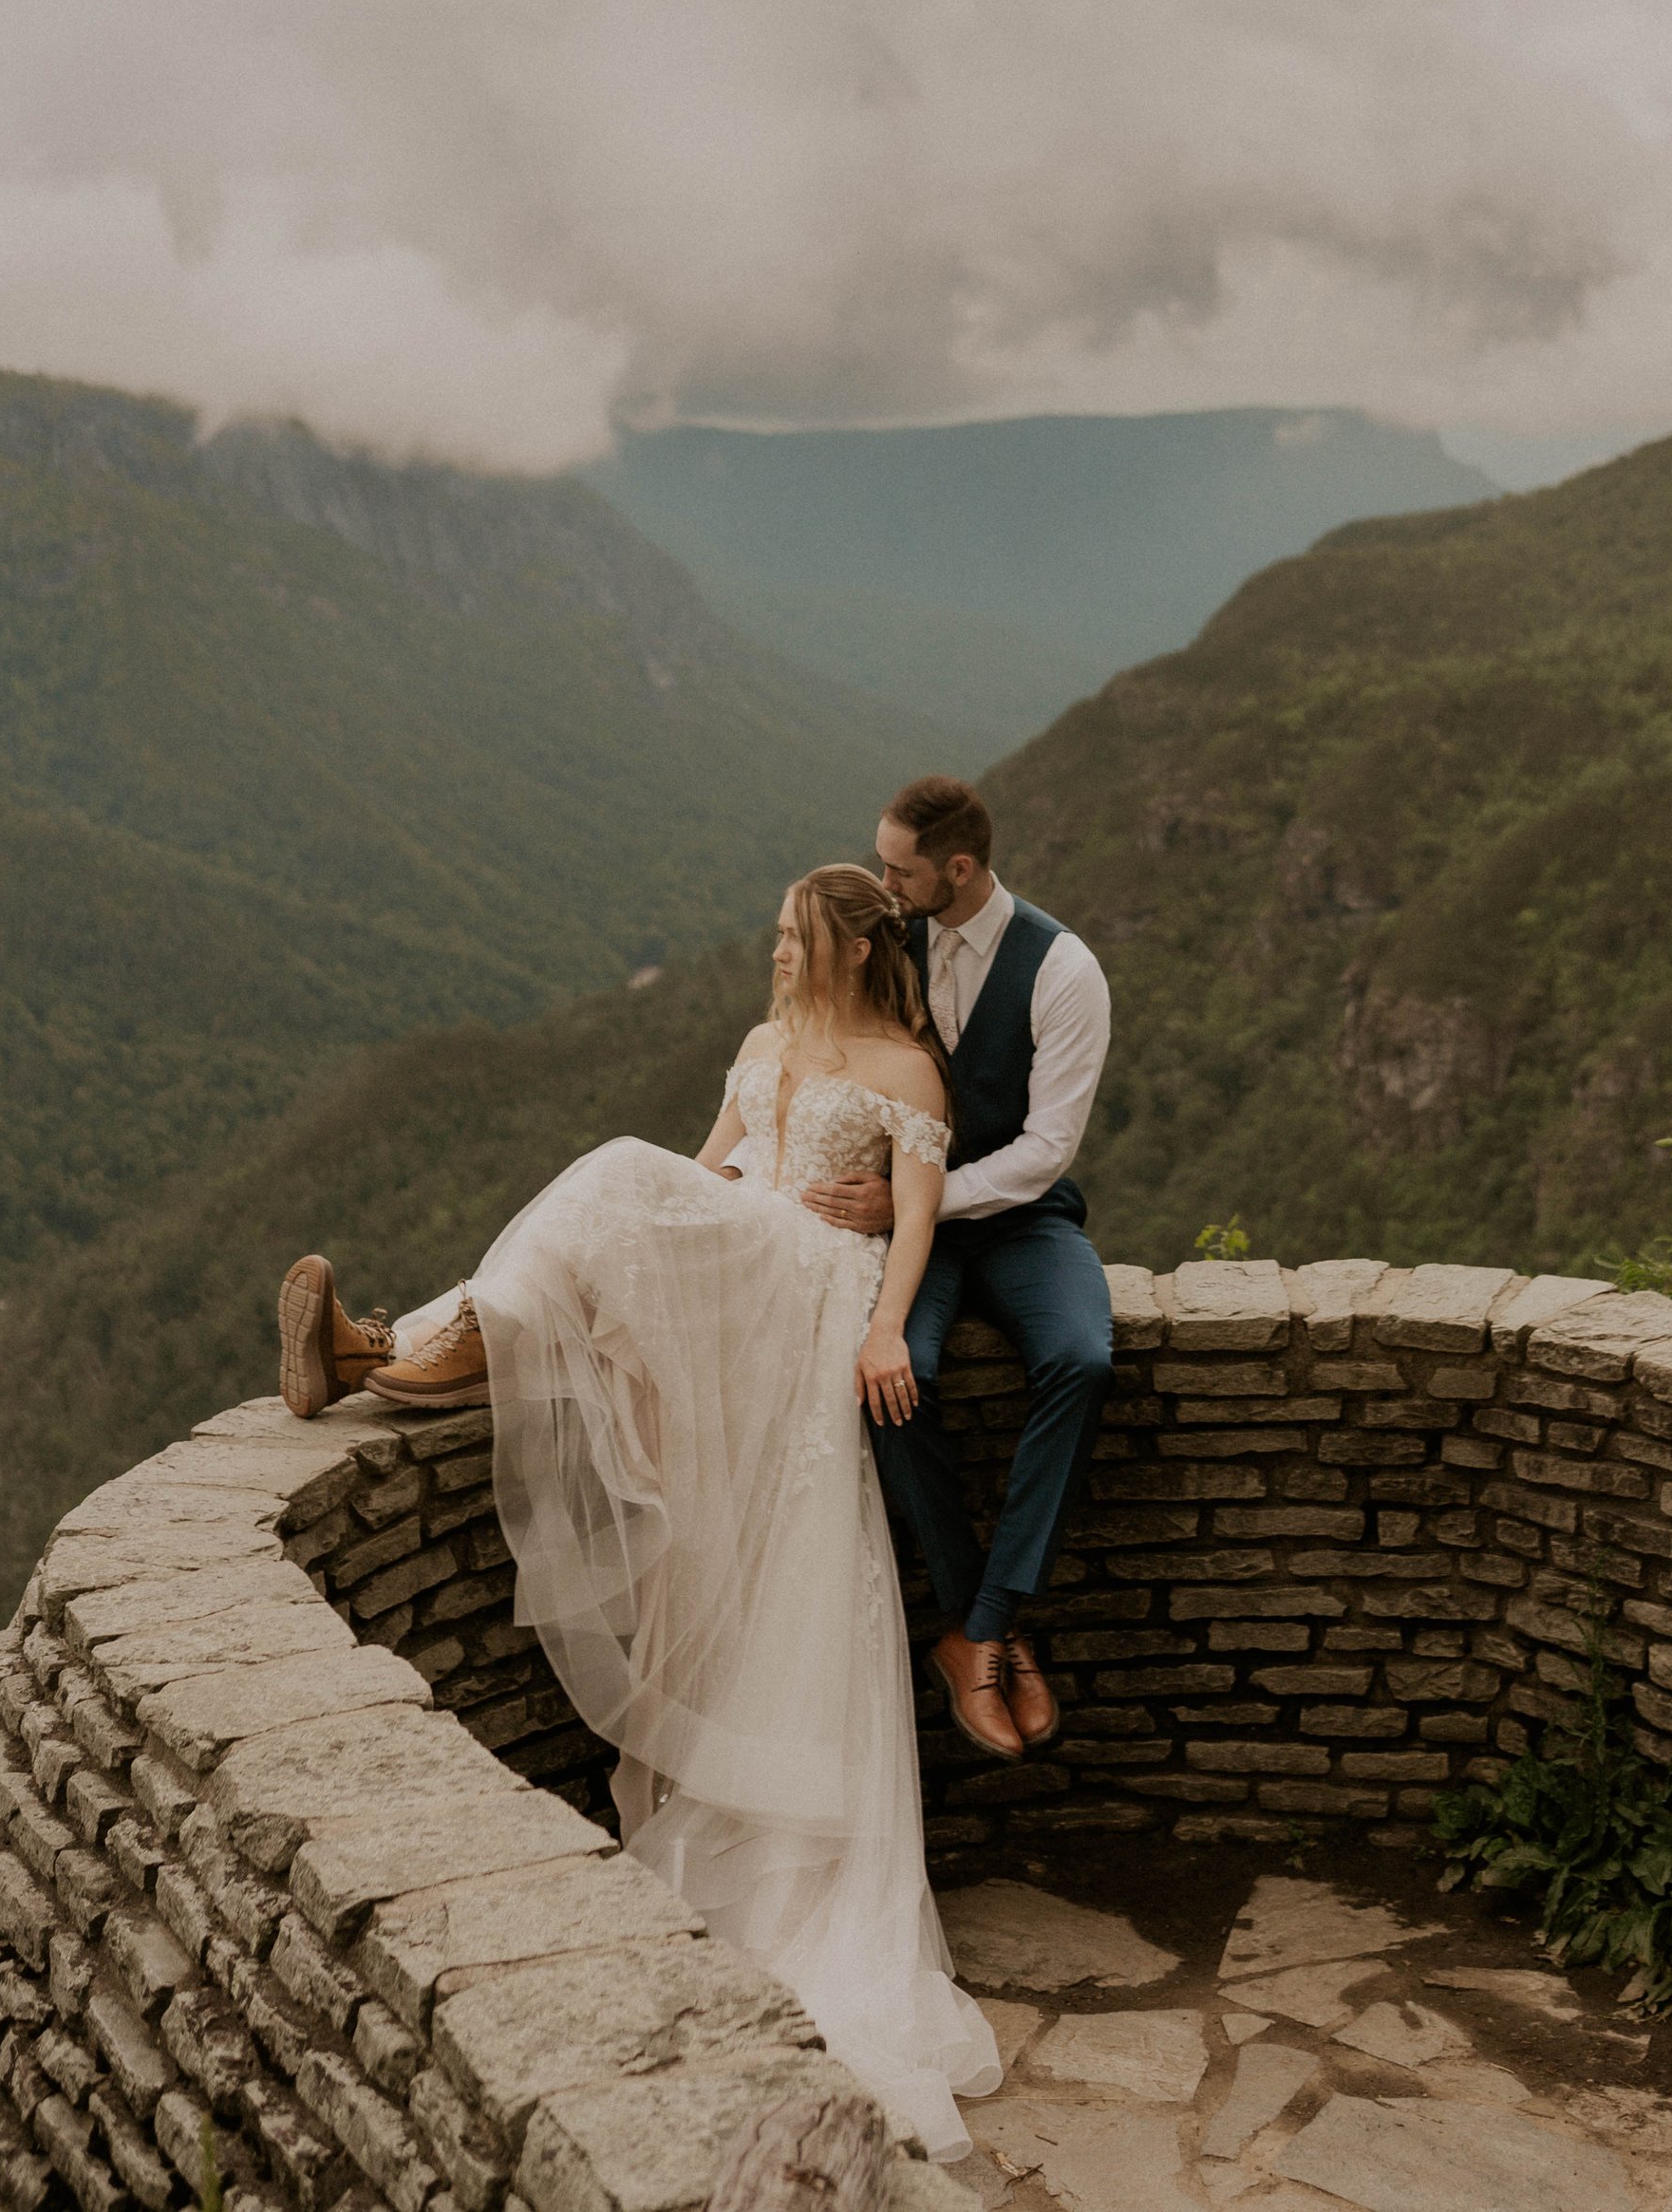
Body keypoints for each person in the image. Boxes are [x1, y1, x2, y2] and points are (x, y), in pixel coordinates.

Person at [272, 864, 998, 2165]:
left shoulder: (908, 1073)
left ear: (847, 947)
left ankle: (395, 1345)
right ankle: (404, 1345)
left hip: (815, 1284)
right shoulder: (763, 1044)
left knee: (608, 1176)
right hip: (747, 1256)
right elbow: (701, 1172)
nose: (776, 951)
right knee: (606, 1203)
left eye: (792, 936)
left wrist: (887, 1328)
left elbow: (913, 1231)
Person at [798, 776, 1114, 1770]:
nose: (885, 883)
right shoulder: (890, 940)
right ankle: (981, 1625)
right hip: (905, 1232)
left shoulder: (1063, 969)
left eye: (900, 869)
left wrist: (917, 1202)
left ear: (961, 869)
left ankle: (982, 1624)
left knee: (1083, 1358)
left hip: (1018, 1222)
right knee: (897, 1378)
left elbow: (1046, 1149)